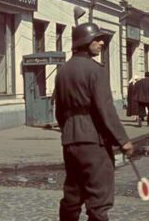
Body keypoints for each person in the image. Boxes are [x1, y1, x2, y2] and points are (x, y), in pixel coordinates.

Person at [55, 22, 133, 221]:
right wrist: (123, 140)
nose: (101, 43)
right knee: (98, 198)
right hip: (93, 140)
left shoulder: (63, 71)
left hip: (70, 140)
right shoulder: (95, 70)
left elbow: (59, 111)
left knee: (73, 193)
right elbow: (105, 109)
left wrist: (69, 131)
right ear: (85, 41)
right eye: (97, 39)